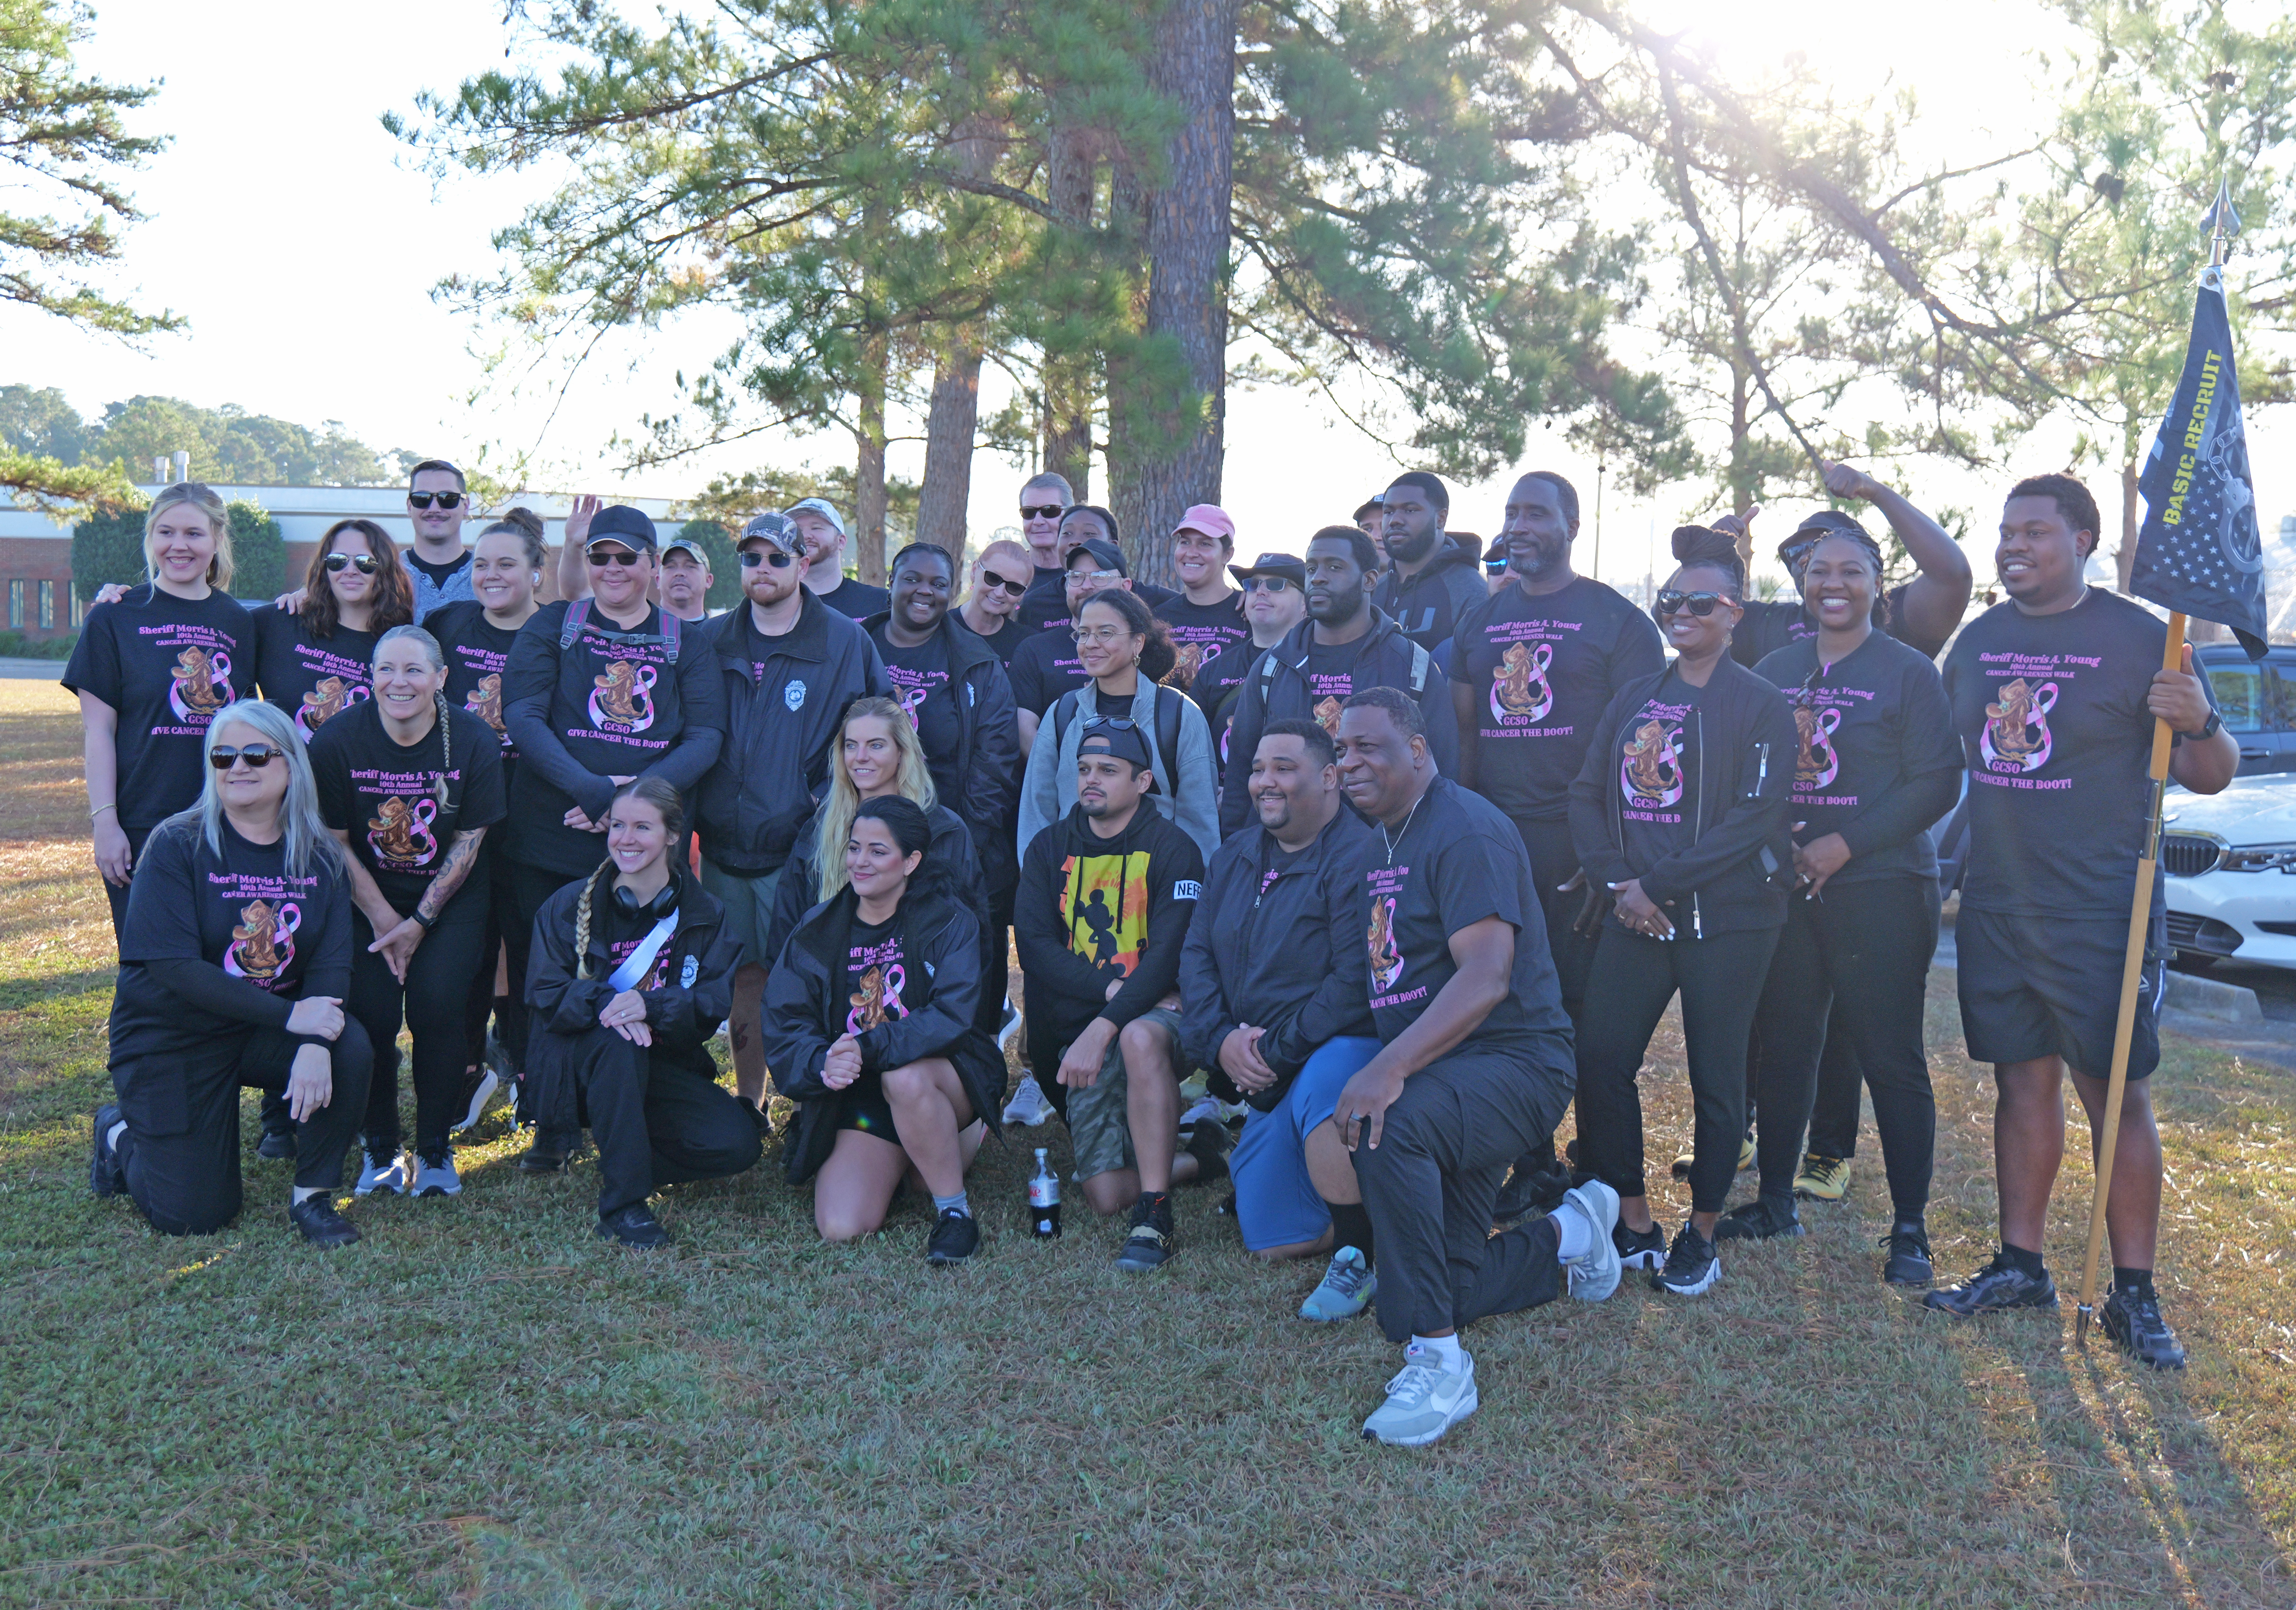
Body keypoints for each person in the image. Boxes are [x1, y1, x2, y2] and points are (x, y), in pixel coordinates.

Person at [1927, 474, 2235, 1368]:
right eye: (2004, 533)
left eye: (2035, 532)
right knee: (2021, 1088)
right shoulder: (1979, 644)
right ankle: (2020, 1264)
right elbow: (1959, 768)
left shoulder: (2144, 639)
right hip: (1996, 904)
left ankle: (2133, 1296)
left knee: (2114, 1095)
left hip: (2102, 909)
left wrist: (2200, 718)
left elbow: (2211, 773)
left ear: (2085, 540)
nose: (2013, 545)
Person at [1329, 689, 1622, 1447]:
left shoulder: (1462, 832)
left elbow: (1487, 975)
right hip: (1448, 1076)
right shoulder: (1378, 842)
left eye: (1370, 746)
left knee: (1381, 1123)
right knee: (1426, 1292)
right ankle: (1571, 1233)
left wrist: (1387, 1068)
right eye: (1341, 750)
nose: (1350, 761)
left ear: (1419, 750)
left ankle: (1441, 1369)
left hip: (1515, 1063)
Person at [1567, 526, 1797, 1298]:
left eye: (1701, 602)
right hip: (1633, 914)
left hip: (1728, 922)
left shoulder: (1761, 703)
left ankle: (1701, 1232)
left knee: (1716, 1077)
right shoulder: (1636, 697)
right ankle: (1633, 1219)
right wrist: (1617, 884)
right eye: (1671, 601)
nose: (1682, 612)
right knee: (1600, 1058)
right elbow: (1584, 794)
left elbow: (1752, 818)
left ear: (1734, 613)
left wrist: (1652, 886)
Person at [1736, 523, 1963, 1278]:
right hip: (1790, 889)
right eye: (1817, 572)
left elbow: (1934, 781)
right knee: (1785, 1046)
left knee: (1889, 1055)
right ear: (1801, 583)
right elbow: (1751, 774)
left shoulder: (1906, 672)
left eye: (1850, 571)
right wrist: (1779, 848)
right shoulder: (1773, 667)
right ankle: (1774, 1200)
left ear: (1876, 582)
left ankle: (1907, 1230)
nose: (1832, 584)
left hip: (1882, 888)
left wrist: (1844, 844)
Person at [1451, 471, 1666, 1218]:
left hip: (1581, 850)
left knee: (1579, 1014)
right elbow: (1468, 732)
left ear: (1570, 524)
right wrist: (1463, 838)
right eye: (1512, 513)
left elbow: (1645, 747)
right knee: (1501, 1002)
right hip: (1496, 847)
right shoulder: (1480, 622)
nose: (1519, 525)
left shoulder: (1616, 621)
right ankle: (1532, 1161)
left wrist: (1606, 854)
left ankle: (1603, 1179)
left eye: (1536, 512)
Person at [88, 700, 373, 1247]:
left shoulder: (320, 857)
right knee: (195, 1214)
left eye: (255, 755)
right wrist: (294, 1019)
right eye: (223, 756)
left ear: (290, 765)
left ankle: (312, 1197)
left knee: (348, 1045)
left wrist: (316, 1037)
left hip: (260, 1030)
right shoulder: (177, 843)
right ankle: (118, 1131)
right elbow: (175, 970)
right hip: (172, 1037)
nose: (237, 767)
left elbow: (332, 963)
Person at [502, 504, 728, 1171]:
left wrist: (629, 801)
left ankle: (630, 1101)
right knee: (549, 981)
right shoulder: (554, 626)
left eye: (626, 558)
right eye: (599, 558)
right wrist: (591, 792)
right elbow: (522, 713)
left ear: (653, 566)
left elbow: (707, 736)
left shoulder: (686, 640)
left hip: (644, 845)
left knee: (627, 968)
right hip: (552, 834)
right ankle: (551, 1120)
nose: (610, 570)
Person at [1179, 720, 1382, 1309]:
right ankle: (1368, 1205)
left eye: (1284, 769)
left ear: (1330, 778)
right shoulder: (1235, 852)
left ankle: (1357, 1254)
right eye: (1258, 769)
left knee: (1330, 1069)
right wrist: (1219, 1042)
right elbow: (1196, 955)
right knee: (1274, 1240)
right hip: (1264, 1065)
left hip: (1341, 1051)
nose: (1264, 782)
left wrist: (1268, 1055)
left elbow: (1354, 985)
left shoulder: (1362, 856)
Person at [694, 513, 890, 1106]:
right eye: (752, 559)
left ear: (804, 564)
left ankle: (814, 1103)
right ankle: (750, 1102)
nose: (763, 570)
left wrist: (823, 806)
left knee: (813, 976)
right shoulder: (711, 639)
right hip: (726, 850)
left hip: (807, 849)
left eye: (778, 559)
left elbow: (878, 729)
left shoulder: (844, 641)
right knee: (744, 978)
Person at [310, 625, 507, 1199]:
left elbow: (469, 840)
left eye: (414, 670)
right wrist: (383, 920)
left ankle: (434, 1150)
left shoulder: (472, 740)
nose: (399, 683)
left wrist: (419, 923)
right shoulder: (337, 741)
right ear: (370, 677)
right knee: (370, 1015)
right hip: (363, 896)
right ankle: (380, 1148)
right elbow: (335, 842)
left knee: (437, 1007)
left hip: (450, 898)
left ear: (441, 679)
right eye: (386, 670)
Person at [524, 778, 764, 1247]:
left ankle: (623, 1157)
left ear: (674, 834)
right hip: (575, 1068)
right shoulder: (569, 905)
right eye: (617, 826)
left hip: (659, 1064)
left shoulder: (705, 914)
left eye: (642, 827)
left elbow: (711, 1004)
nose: (625, 839)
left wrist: (649, 1005)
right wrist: (610, 1004)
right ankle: (624, 1206)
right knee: (619, 1040)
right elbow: (546, 992)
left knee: (737, 1145)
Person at [765, 796, 1005, 1260]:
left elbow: (953, 1018)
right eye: (855, 848)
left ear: (911, 861)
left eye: (878, 851)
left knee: (905, 1077)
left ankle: (954, 1213)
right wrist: (822, 1062)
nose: (860, 862)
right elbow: (784, 1018)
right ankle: (915, 1154)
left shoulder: (949, 921)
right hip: (863, 1094)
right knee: (841, 1225)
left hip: (940, 1076)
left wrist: (868, 1045)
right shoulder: (818, 928)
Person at [1012, 722, 1213, 1269]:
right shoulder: (1049, 846)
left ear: (1143, 779)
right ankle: (1203, 1157)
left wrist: (1107, 1024)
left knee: (1140, 1038)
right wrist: (1109, 990)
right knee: (1102, 1195)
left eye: (1106, 770)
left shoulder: (1175, 850)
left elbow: (1169, 957)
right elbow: (1033, 946)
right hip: (1074, 1037)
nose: (1090, 781)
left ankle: (1155, 1208)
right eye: (1083, 769)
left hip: (1148, 1023)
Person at [66, 481, 251, 943]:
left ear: (216, 540)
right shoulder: (114, 616)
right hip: (140, 822)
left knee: (213, 963)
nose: (179, 546)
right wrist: (106, 823)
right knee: (149, 964)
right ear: (151, 538)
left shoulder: (239, 622)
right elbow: (98, 732)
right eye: (166, 532)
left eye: (194, 533)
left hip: (222, 820)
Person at [1218, 525, 1456, 838]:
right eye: (1311, 568)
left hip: (1382, 856)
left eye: (1334, 567)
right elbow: (1239, 774)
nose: (1317, 577)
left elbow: (1444, 774)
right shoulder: (1272, 666)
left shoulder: (1413, 664)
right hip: (1287, 858)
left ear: (1370, 580)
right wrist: (1236, 852)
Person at [428, 509, 547, 1104]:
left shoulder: (557, 633)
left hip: (535, 820)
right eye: (481, 564)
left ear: (536, 574)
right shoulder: (448, 623)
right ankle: (466, 1070)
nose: (491, 575)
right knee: (466, 955)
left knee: (528, 951)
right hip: (462, 820)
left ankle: (529, 1074)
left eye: (507, 564)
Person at [762, 696, 983, 976]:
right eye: (851, 746)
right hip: (830, 993)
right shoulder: (820, 828)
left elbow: (970, 936)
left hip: (918, 998)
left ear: (902, 751)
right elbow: (788, 928)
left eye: (876, 745)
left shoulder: (943, 831)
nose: (860, 757)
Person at [1017, 586, 1221, 860]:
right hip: (1071, 887)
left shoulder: (1180, 714)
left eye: (1105, 633)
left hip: (1154, 888)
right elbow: (1036, 812)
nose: (1090, 644)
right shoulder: (1062, 714)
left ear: (1138, 642)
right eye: (1084, 633)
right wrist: (1039, 885)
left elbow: (1200, 824)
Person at [864, 543, 1020, 886]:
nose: (925, 590)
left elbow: (995, 762)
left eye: (938, 584)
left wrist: (964, 841)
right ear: (891, 582)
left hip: (942, 842)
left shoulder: (978, 662)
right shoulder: (855, 646)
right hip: (858, 843)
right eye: (912, 579)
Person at [1723, 461, 1975, 668]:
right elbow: (1688, 610)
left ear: (1875, 579)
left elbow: (1952, 577)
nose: (1804, 558)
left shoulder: (1893, 619)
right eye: (1797, 551)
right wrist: (1703, 554)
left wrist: (1876, 491)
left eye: (1848, 568)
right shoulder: (1764, 625)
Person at [249, 519, 414, 743]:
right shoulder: (277, 623)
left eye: (365, 563)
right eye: (338, 561)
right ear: (324, 568)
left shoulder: (400, 645)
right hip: (285, 776)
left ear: (384, 570)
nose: (350, 571)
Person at [1009, 530, 1128, 748]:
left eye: (1100, 577)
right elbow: (1025, 732)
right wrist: (1071, 773)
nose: (1087, 585)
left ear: (1126, 586)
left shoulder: (1140, 648)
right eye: (1077, 577)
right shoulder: (1035, 651)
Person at [1190, 551, 1309, 770]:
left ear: (1305, 603)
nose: (1261, 592)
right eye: (1253, 585)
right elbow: (1190, 748)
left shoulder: (1316, 667)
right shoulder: (1213, 670)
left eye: (1276, 585)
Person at [1374, 473, 1487, 653]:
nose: (1395, 520)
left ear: (1441, 519)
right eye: (1388, 512)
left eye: (1410, 510)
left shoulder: (1470, 591)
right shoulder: (1371, 593)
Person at [1154, 504, 1250, 694]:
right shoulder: (1159, 618)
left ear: (1227, 555)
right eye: (1185, 542)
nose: (1191, 553)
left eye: (1205, 544)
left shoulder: (1250, 614)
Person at [402, 460, 480, 619]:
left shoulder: (488, 577)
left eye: (448, 498)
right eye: (422, 498)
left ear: (466, 506)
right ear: (410, 506)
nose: (434, 509)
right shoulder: (386, 575)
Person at [791, 498, 890, 619]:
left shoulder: (880, 603)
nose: (805, 536)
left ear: (841, 541)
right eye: (798, 530)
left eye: (816, 528)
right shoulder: (773, 606)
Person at [956, 537, 1034, 669]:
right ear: (975, 571)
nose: (999, 593)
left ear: (1023, 593)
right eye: (993, 578)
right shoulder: (939, 630)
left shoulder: (1028, 646)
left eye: (1014, 587)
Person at [659, 533, 717, 622]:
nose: (679, 573)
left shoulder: (721, 633)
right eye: (671, 567)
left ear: (708, 580)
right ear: (658, 580)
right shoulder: (642, 632)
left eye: (690, 566)